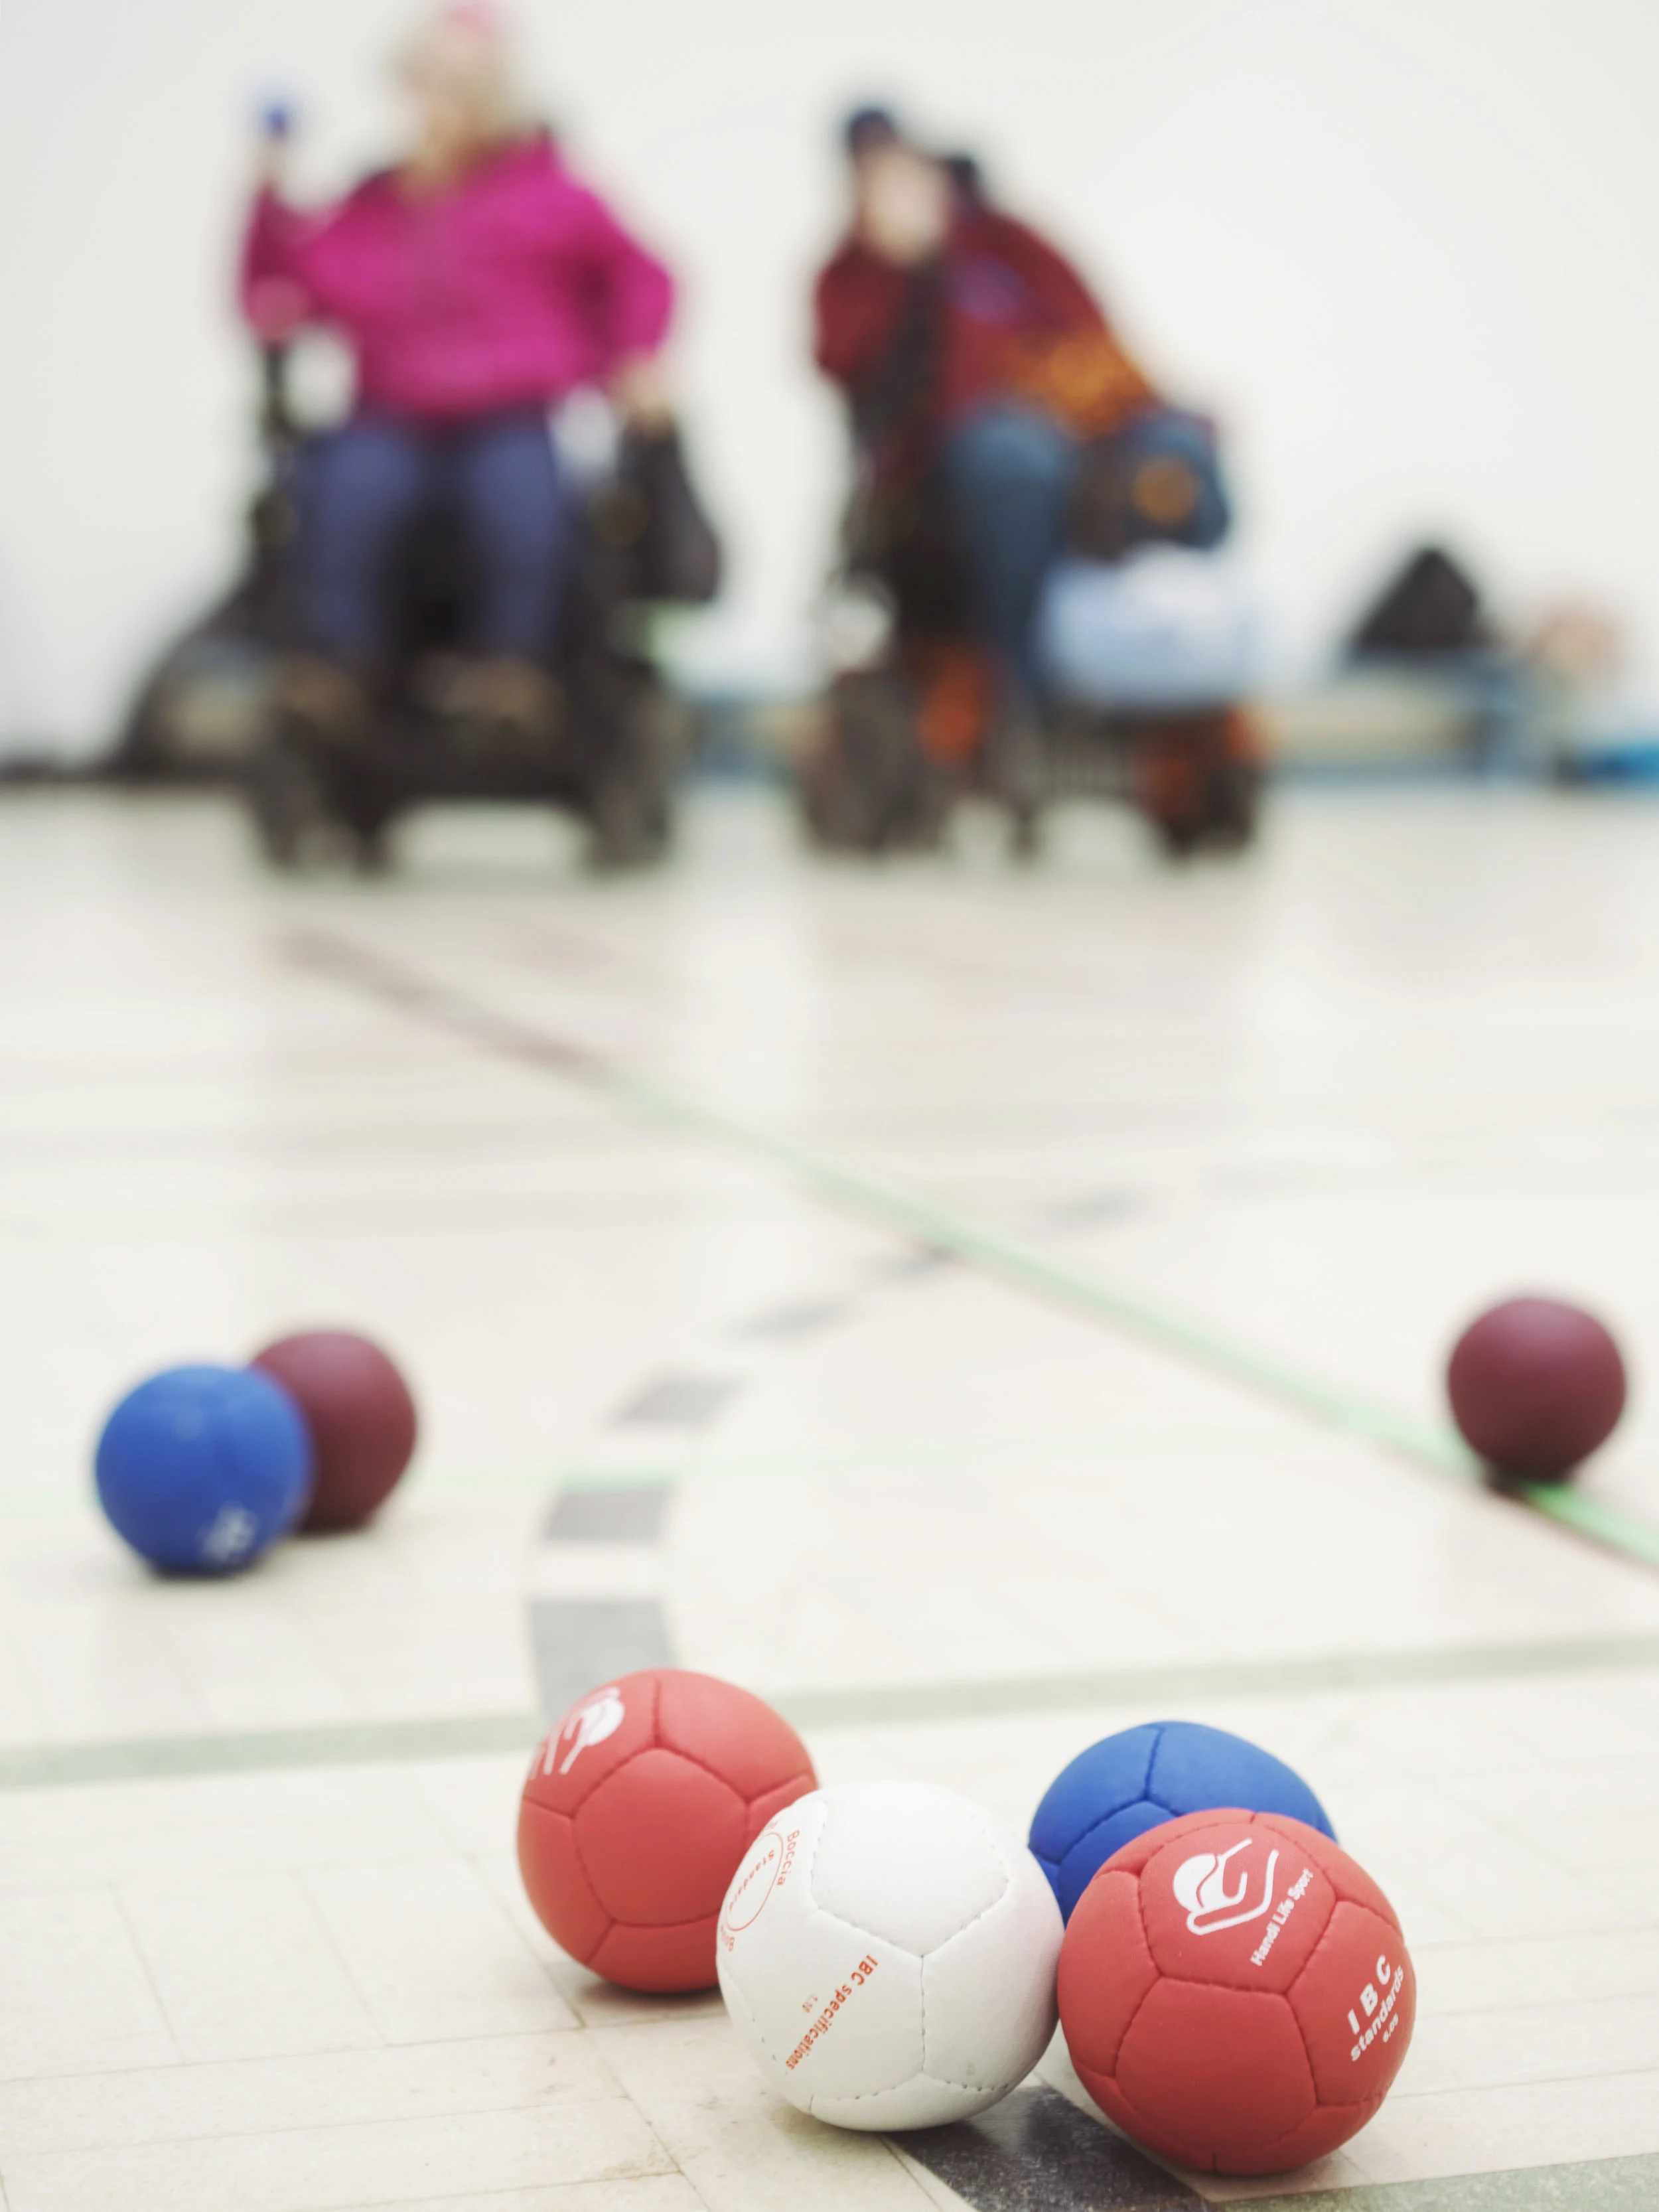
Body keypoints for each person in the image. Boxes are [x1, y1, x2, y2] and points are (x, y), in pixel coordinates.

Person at [242, 3, 674, 738]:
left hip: (509, 411)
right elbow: (283, 285)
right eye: (428, 86)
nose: (439, 105)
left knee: (522, 504)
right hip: (392, 413)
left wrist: (636, 356)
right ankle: (342, 667)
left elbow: (640, 274)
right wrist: (268, 197)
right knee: (345, 493)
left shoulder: (547, 192)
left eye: (461, 88)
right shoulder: (374, 206)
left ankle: (514, 671)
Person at [813, 108, 1162, 725]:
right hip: (943, 465)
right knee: (1013, 462)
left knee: (1176, 460)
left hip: (1076, 433)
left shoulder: (1005, 243)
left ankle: (1161, 686)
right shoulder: (853, 274)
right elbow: (850, 368)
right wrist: (911, 272)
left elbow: (1093, 331)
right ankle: (1028, 694)